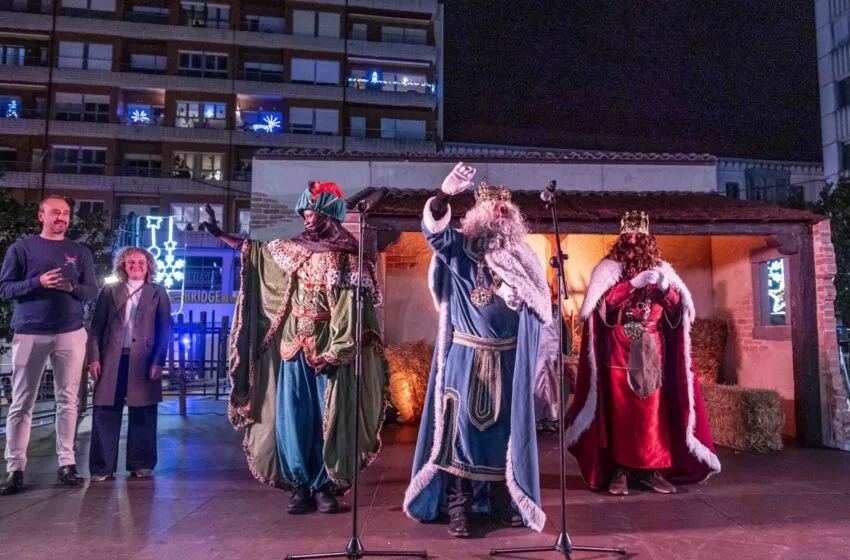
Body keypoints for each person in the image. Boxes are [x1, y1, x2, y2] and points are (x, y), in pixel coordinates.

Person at [201, 182, 388, 515]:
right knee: (293, 417)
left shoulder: (349, 256)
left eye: (314, 211)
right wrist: (219, 232)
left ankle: (326, 485)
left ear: (330, 213)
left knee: (327, 419)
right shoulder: (293, 249)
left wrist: (339, 350)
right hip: (292, 348)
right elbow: (253, 251)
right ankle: (299, 485)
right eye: (305, 211)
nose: (308, 217)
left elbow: (351, 309)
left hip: (330, 351)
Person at [404, 163, 555, 538]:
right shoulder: (459, 249)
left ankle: (505, 500)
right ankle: (459, 507)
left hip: (506, 360)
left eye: (506, 210)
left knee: (505, 430)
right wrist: (444, 194)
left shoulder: (522, 257)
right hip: (464, 359)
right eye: (493, 209)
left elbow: (542, 306)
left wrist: (522, 301)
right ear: (477, 214)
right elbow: (433, 230)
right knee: (460, 432)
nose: (499, 215)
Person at [565, 211, 721, 496]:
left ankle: (652, 470)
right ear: (622, 238)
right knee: (622, 412)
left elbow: (679, 312)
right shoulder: (609, 269)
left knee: (653, 411)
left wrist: (665, 289)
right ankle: (621, 470)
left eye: (639, 236)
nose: (634, 240)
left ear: (648, 239)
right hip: (621, 345)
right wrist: (630, 287)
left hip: (652, 344)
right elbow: (602, 308)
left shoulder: (662, 269)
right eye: (629, 236)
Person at [0, 195, 98, 494]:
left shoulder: (78, 251)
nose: (62, 217)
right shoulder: (22, 248)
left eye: (66, 213)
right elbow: (4, 288)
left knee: (68, 400)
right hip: (30, 331)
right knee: (22, 403)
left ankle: (67, 464)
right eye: (55, 212)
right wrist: (38, 282)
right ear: (40, 215)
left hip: (70, 331)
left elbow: (92, 291)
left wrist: (72, 288)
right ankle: (15, 469)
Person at [87, 247, 171, 481]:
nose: (136, 266)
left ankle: (141, 463)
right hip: (111, 359)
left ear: (149, 265)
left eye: (141, 262)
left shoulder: (158, 292)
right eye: (130, 262)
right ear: (123, 266)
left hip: (143, 361)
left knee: (143, 411)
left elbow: (165, 330)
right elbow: (96, 327)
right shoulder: (109, 290)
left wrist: (158, 361)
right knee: (105, 411)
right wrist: (94, 357)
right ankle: (102, 467)